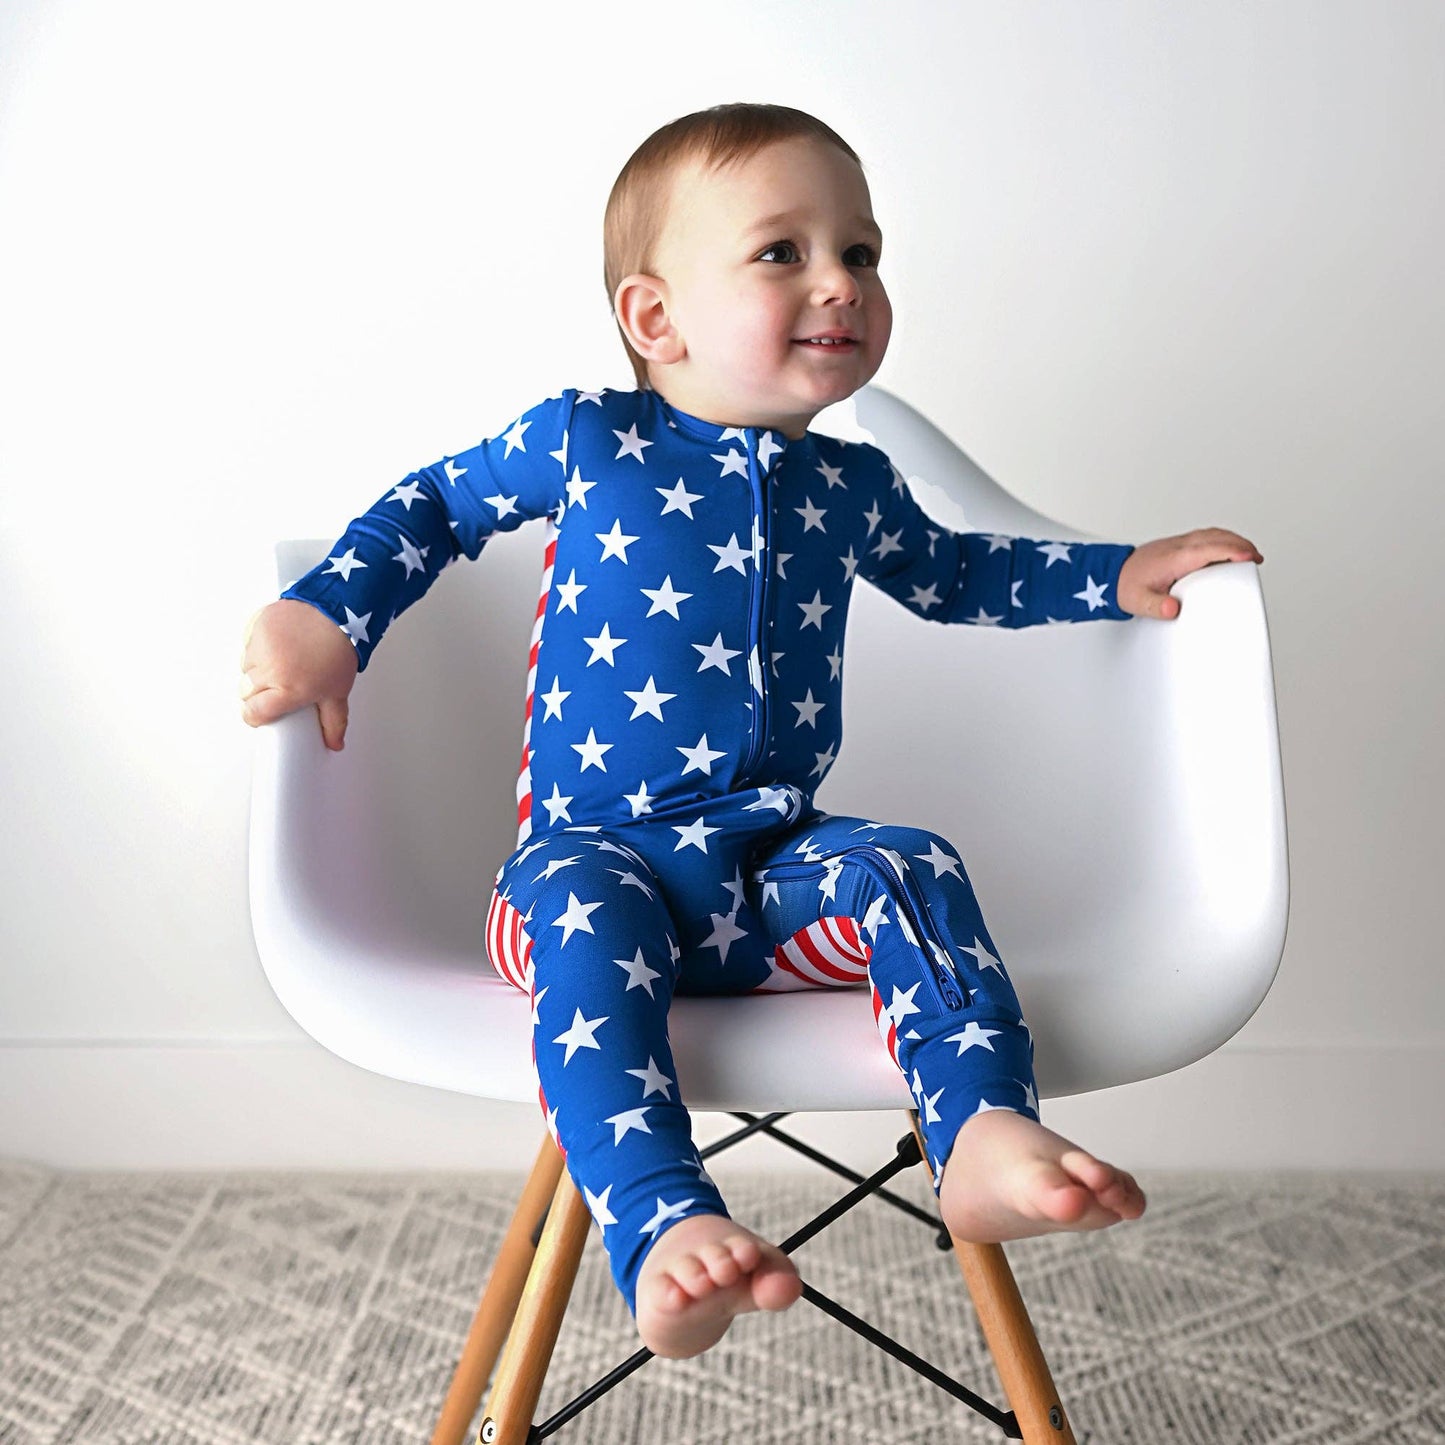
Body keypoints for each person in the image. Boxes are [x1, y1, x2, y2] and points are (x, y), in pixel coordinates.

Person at [241, 102, 1263, 1360]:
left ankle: (983, 1127)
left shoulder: (851, 486)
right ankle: (664, 1224)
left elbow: (955, 574)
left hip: (769, 875)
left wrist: (1113, 571)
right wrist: (325, 612)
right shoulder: (587, 439)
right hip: (589, 862)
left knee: (908, 860)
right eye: (783, 252)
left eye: (863, 252)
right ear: (652, 317)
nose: (839, 280)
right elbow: (434, 507)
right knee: (581, 919)